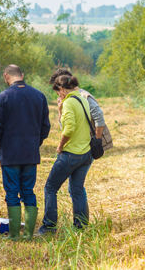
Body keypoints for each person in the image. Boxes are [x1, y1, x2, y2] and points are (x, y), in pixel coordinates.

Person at [0, 64, 51, 240]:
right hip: (30, 153)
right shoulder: (39, 96)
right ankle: (30, 234)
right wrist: (35, 143)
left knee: (12, 193)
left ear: (6, 75)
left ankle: (15, 234)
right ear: (22, 75)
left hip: (9, 154)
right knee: (28, 191)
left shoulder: (3, 98)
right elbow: (45, 126)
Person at [39, 75, 93, 235]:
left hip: (71, 154)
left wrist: (60, 146)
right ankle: (81, 227)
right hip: (86, 154)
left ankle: (49, 227)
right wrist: (61, 110)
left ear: (62, 89)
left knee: (50, 188)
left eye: (57, 92)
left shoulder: (69, 101)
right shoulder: (83, 99)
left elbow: (68, 129)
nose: (58, 96)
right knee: (77, 189)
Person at [49, 68, 112, 150]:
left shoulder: (84, 96)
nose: (57, 93)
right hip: (77, 146)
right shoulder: (66, 99)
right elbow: (65, 127)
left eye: (57, 88)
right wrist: (60, 111)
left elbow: (99, 117)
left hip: (87, 146)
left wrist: (97, 142)